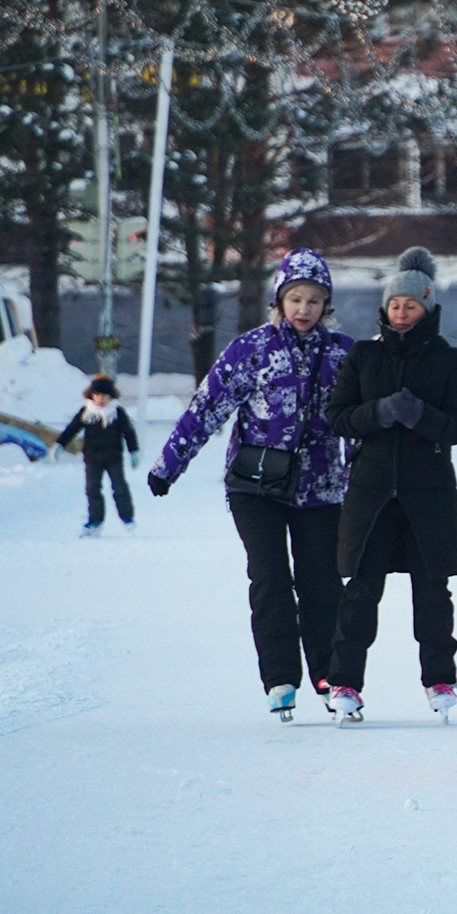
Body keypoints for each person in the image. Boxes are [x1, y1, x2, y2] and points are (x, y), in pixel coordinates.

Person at [148, 249, 356, 721]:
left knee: (321, 582)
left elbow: (359, 425)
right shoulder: (252, 350)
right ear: (279, 301)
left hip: (321, 489)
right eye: (295, 298)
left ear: (327, 305)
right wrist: (168, 466)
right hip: (256, 486)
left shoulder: (345, 353)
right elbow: (206, 409)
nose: (304, 308)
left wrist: (363, 481)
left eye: (314, 300)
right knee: (269, 576)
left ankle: (328, 674)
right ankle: (281, 677)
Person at [324, 247, 457, 725]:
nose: (402, 312)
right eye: (395, 305)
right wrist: (381, 412)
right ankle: (345, 683)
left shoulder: (449, 360)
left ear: (427, 307)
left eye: (411, 304)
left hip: (427, 495)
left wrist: (421, 417)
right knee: (360, 592)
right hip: (371, 496)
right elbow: (337, 417)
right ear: (385, 309)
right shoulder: (364, 356)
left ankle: (440, 679)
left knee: (432, 594)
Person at [54, 375, 142, 535]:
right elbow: (72, 429)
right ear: (91, 395)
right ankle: (95, 521)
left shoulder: (117, 413)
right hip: (92, 458)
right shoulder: (87, 413)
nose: (101, 399)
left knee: (119, 487)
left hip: (113, 458)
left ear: (111, 396)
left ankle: (127, 518)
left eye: (105, 395)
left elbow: (129, 432)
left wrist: (134, 451)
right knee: (92, 489)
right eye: (97, 395)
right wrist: (60, 444)